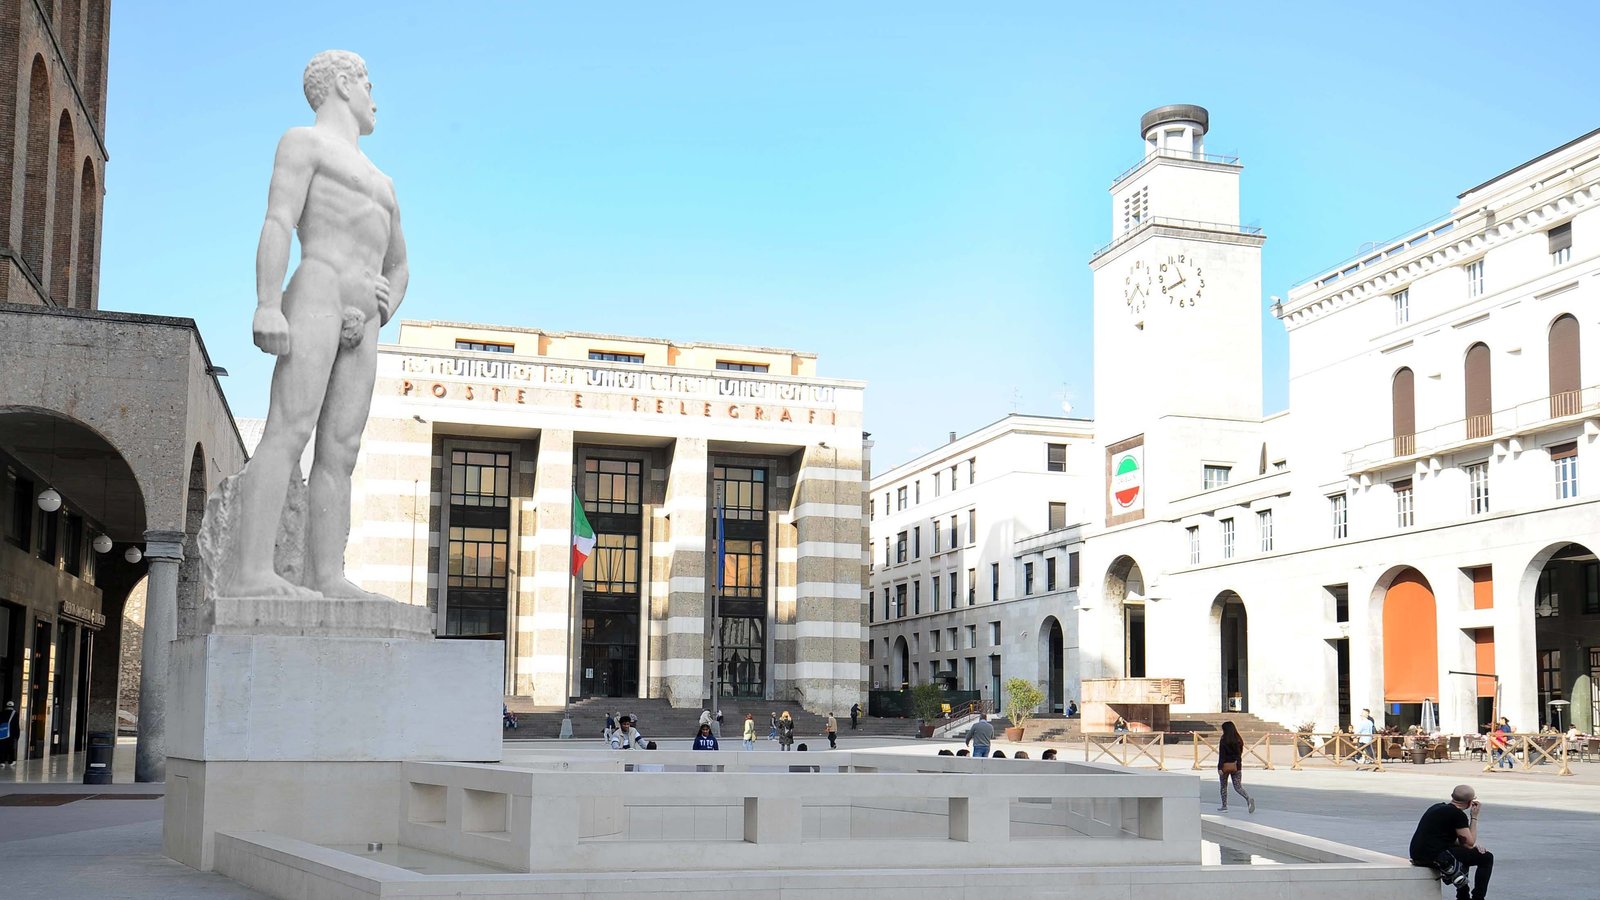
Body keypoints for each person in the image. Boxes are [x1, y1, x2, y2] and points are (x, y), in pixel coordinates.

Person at [220, 50, 409, 602]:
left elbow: (400, 264)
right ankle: (252, 570)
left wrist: (388, 300)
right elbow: (279, 219)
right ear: (343, 84)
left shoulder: (385, 183)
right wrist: (265, 303)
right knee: (290, 428)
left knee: (341, 449)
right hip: (318, 287)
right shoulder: (302, 143)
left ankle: (325, 573)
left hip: (365, 315)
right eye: (369, 84)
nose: (375, 98)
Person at [1409, 784, 1492, 900]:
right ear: (1470, 803)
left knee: (1465, 854)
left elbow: (1449, 839)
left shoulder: (1436, 807)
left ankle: (1463, 895)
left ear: (1452, 796)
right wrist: (1474, 816)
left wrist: (1470, 847)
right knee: (1486, 857)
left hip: (1418, 854)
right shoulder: (1457, 815)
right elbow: (1469, 843)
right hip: (1435, 857)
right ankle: (1478, 897)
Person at [1217, 720, 1256, 813]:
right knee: (1238, 787)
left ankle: (1224, 806)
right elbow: (1239, 754)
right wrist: (1237, 764)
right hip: (1236, 766)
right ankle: (1248, 798)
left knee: (1223, 786)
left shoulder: (1223, 740)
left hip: (1225, 765)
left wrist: (1219, 767)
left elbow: (1222, 755)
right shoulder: (1238, 740)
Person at [0, 700, 16, 768]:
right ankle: (11, 760)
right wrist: (17, 735)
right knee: (10, 748)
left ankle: (2, 761)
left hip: (2, 733)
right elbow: (16, 726)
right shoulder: (15, 714)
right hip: (11, 734)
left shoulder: (1, 713)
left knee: (2, 747)